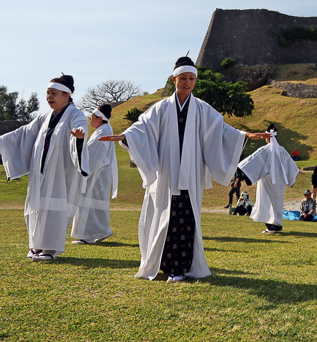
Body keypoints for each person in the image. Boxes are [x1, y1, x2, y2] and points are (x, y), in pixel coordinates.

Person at [98, 57, 271, 281]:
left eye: (191, 79)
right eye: (183, 79)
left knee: (186, 218)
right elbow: (142, 127)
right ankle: (167, 266)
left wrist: (245, 135)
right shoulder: (161, 107)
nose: (187, 83)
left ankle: (181, 268)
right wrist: (125, 136)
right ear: (174, 79)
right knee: (166, 217)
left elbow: (221, 129)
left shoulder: (201, 108)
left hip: (191, 173)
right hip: (167, 173)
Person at [0, 75, 90, 262]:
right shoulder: (45, 116)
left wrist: (79, 136)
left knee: (54, 208)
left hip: (60, 173)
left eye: (53, 93)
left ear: (66, 95)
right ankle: (35, 246)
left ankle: (50, 250)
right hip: (40, 172)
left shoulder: (76, 115)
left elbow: (81, 127)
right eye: (47, 93)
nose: (49, 97)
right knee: (35, 206)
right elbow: (24, 132)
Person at [237, 124, 300, 234]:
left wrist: (241, 170)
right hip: (279, 183)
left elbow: (253, 160)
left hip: (268, 182)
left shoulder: (265, 150)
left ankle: (272, 227)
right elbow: (291, 166)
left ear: (267, 136)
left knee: (267, 202)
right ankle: (277, 225)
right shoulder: (282, 150)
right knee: (277, 203)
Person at [71, 104, 118, 245]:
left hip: (97, 174)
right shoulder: (103, 130)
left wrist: (82, 165)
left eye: (91, 116)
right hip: (99, 174)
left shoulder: (103, 132)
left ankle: (88, 235)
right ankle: (101, 231)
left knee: (88, 203)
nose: (90, 119)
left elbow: (92, 156)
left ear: (99, 118)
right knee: (94, 204)